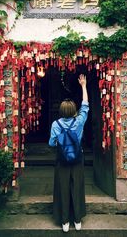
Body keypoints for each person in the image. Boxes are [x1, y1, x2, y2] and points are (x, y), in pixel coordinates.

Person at [49, 74, 89, 232]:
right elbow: (85, 105)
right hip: (77, 159)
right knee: (77, 187)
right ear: (74, 110)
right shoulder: (79, 121)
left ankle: (64, 221)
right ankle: (77, 220)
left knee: (63, 188)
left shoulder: (55, 124)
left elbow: (52, 143)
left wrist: (61, 142)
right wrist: (83, 86)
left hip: (62, 161)